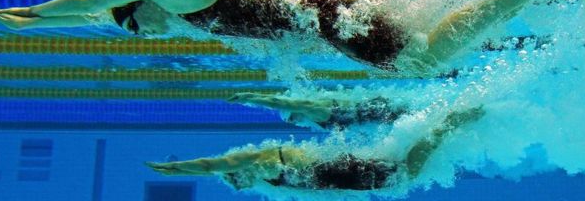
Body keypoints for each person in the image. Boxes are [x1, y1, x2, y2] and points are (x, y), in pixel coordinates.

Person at [0, 0, 549, 75]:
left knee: (417, 62)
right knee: (418, 53)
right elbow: (104, 9)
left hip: (328, 15)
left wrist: (38, 16)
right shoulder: (179, 11)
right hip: (328, 16)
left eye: (131, 25)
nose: (143, 36)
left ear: (137, 5)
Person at [146, 106, 485, 190]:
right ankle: (445, 125)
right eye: (241, 186)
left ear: (238, 171)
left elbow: (209, 165)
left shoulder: (260, 159)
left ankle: (448, 123)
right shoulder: (271, 181)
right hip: (339, 176)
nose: (244, 185)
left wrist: (176, 168)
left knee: (407, 170)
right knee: (404, 172)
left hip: (339, 170)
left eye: (238, 180)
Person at [228, 92, 409, 129]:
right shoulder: (315, 120)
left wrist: (251, 97)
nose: (295, 123)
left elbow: (281, 102)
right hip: (379, 114)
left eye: (292, 119)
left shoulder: (316, 111)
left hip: (381, 110)